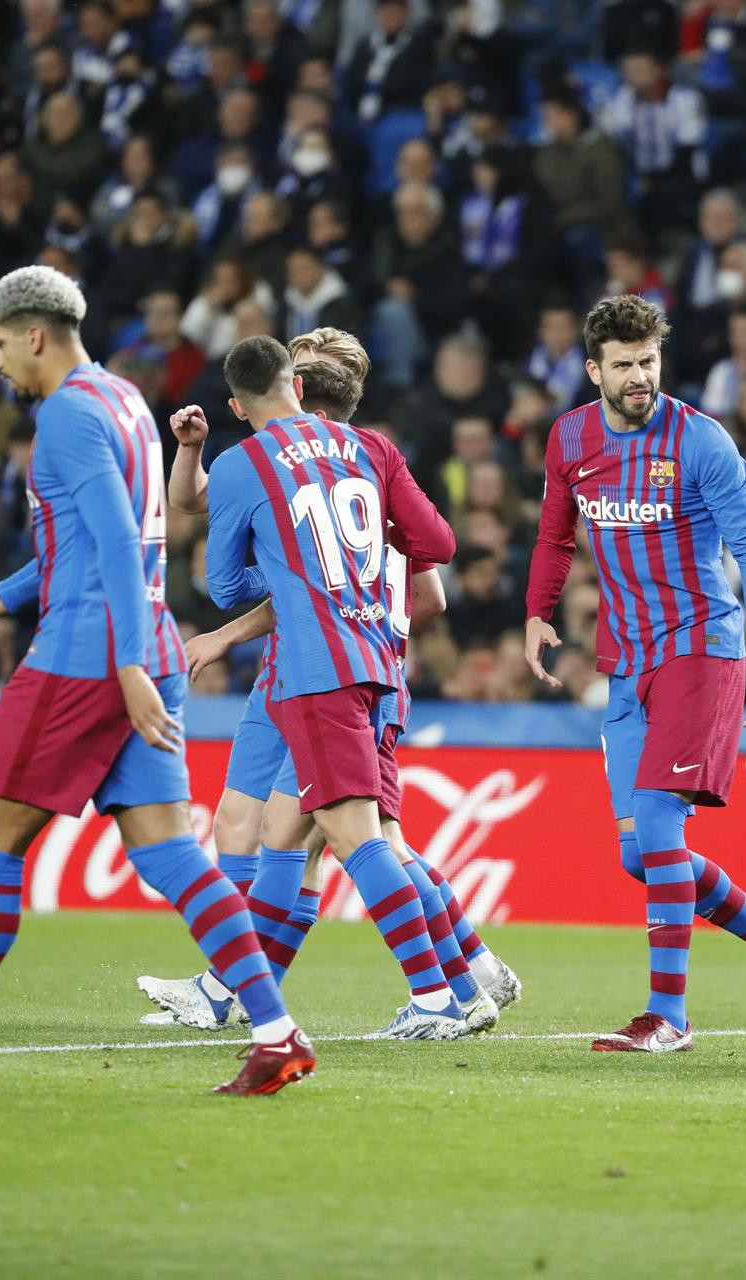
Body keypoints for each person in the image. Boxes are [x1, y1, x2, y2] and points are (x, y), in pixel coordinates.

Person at [0, 267, 308, 1096]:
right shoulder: (123, 401)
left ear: (35, 334)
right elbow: (83, 548)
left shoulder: (64, 415)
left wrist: (122, 665)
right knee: (171, 857)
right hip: (146, 640)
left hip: (87, 657)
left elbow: (121, 545)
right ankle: (275, 1033)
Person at [137, 330, 518, 1037]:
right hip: (356, 662)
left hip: (319, 668)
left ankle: (449, 989)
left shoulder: (254, 460)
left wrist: (297, 579)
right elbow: (437, 547)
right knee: (276, 835)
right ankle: (236, 991)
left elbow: (221, 580)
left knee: (359, 838)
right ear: (297, 385)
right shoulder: (371, 455)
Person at [523, 294, 746, 1053]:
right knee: (638, 853)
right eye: (622, 364)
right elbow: (556, 536)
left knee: (658, 828)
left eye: (648, 362)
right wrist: (537, 611)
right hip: (626, 662)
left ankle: (670, 1017)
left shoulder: (702, 442)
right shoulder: (570, 439)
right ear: (593, 369)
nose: (638, 377)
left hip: (702, 650)